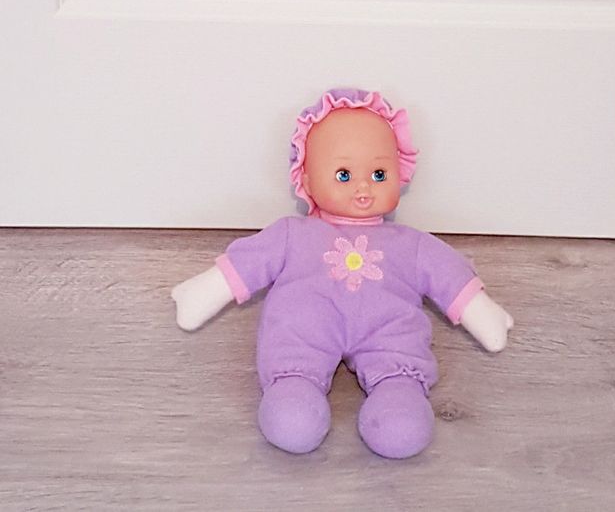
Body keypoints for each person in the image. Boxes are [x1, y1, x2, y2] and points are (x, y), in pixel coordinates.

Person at [172, 88, 513, 458]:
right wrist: (204, 291)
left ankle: (398, 392)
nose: (363, 187)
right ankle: (294, 387)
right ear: (306, 179)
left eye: (378, 173)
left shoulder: (410, 244)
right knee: (292, 416)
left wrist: (481, 310)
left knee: (402, 423)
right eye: (344, 174)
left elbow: (447, 273)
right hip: (306, 329)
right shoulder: (292, 234)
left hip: (387, 330)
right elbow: (250, 262)